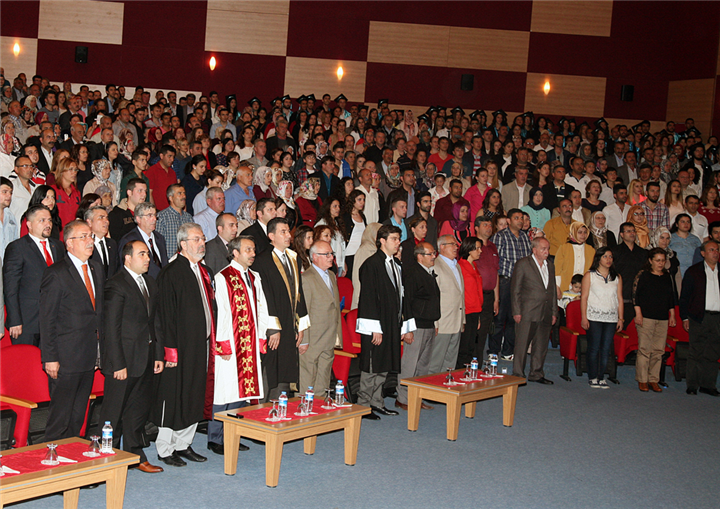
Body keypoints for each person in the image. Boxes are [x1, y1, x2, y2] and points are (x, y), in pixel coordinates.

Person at [99, 240, 164, 473]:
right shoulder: (116, 284)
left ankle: (135, 455)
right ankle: (107, 459)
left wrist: (158, 354)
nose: (147, 258)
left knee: (138, 412)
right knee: (113, 413)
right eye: (142, 254)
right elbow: (110, 328)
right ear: (127, 258)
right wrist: (117, 363)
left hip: (146, 358)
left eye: (148, 254)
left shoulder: (150, 282)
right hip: (123, 361)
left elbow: (155, 322)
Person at [153, 223, 214, 467]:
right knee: (173, 396)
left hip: (200, 345)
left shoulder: (204, 270)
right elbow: (164, 315)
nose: (202, 243)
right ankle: (165, 448)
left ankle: (183, 444)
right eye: (196, 239)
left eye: (203, 239)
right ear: (183, 244)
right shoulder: (172, 272)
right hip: (178, 348)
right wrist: (169, 350)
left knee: (193, 394)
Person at [39, 220, 103, 440]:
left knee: (78, 417)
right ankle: (51, 457)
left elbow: (98, 313)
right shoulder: (56, 273)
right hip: (65, 357)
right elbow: (47, 319)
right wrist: (50, 358)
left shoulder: (96, 268)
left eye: (90, 236)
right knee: (60, 417)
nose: (89, 241)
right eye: (83, 237)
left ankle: (71, 456)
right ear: (69, 243)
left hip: (89, 355)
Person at [207, 235, 269, 456]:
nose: (253, 254)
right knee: (225, 391)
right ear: (235, 253)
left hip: (249, 343)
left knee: (242, 393)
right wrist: (223, 343)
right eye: (248, 250)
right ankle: (216, 437)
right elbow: (222, 311)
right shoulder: (223, 277)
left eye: (253, 250)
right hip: (232, 344)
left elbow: (262, 307)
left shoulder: (254, 276)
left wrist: (262, 335)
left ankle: (234, 433)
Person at [356, 224, 415, 420]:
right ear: (382, 240)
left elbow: (402, 296)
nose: (398, 243)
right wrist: (374, 328)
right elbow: (367, 299)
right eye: (394, 239)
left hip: (391, 323)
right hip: (377, 325)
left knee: (384, 365)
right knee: (372, 366)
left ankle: (377, 402)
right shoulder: (371, 265)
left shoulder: (396, 264)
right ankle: (363, 405)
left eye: (399, 239)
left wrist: (404, 326)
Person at [252, 217, 310, 400]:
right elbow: (263, 297)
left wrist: (300, 325)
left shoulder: (294, 258)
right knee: (271, 369)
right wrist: (272, 328)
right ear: (271, 236)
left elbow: (299, 292)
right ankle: (262, 408)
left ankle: (280, 407)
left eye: (288, 231)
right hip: (274, 325)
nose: (288, 236)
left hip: (290, 322)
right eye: (282, 232)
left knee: (286, 367)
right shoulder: (261, 260)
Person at [4, 204, 63, 346]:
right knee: (25, 358)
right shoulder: (17, 247)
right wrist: (15, 320)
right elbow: (10, 287)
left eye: (49, 220)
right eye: (42, 220)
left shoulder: (58, 246)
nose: (48, 224)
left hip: (55, 320)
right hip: (27, 321)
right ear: (29, 224)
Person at [395, 242, 440, 411]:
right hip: (416, 326)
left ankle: (417, 397)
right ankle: (403, 398)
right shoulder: (413, 273)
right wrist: (407, 329)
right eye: (430, 254)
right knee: (410, 364)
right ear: (420, 256)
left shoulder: (429, 272)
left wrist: (435, 323)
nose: (434, 256)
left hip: (428, 324)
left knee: (423, 365)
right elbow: (407, 303)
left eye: (434, 253)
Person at [511, 237, 558, 384]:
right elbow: (515, 289)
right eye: (543, 249)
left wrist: (554, 311)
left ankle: (536, 373)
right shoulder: (523, 264)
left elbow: (552, 290)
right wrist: (516, 311)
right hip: (527, 311)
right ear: (534, 250)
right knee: (522, 344)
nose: (547, 252)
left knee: (541, 345)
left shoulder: (550, 265)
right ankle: (518, 374)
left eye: (548, 249)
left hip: (546, 311)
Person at [299, 240, 343, 396]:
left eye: (332, 254)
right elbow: (303, 312)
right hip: (313, 338)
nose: (331, 257)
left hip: (329, 336)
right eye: (327, 254)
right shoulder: (307, 278)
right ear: (315, 257)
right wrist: (304, 340)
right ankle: (304, 408)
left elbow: (335, 307)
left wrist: (337, 335)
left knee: (323, 379)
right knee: (307, 380)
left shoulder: (331, 275)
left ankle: (319, 406)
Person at [632, 247, 676, 393]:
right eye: (657, 260)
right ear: (650, 261)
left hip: (662, 317)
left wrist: (672, 315)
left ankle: (653, 379)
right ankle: (642, 379)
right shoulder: (643, 275)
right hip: (646, 317)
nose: (660, 263)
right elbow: (636, 296)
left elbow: (671, 297)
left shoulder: (667, 276)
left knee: (658, 350)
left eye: (663, 260)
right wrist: (638, 313)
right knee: (645, 349)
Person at [489, 209, 531, 360]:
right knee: (499, 318)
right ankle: (493, 351)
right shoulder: (500, 236)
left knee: (515, 318)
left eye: (522, 218)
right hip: (505, 281)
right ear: (508, 220)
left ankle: (507, 351)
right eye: (517, 218)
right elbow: (494, 261)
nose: (520, 221)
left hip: (521, 284)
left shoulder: (525, 237)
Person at [679, 240, 720, 396]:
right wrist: (684, 317)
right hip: (698, 317)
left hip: (717, 318)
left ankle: (708, 385)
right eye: (711, 250)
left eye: (717, 249)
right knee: (695, 351)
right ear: (703, 253)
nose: (715, 253)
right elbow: (685, 297)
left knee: (713, 352)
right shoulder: (693, 272)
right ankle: (692, 385)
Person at [580, 247, 623, 388]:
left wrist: (621, 318)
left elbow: (619, 298)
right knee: (594, 348)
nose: (608, 259)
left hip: (611, 318)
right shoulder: (590, 275)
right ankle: (592, 376)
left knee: (606, 349)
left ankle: (601, 376)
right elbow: (584, 298)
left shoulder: (616, 277)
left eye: (610, 256)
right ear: (598, 259)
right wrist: (584, 317)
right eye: (605, 256)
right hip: (594, 317)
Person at [428, 235, 465, 374]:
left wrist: (462, 319)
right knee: (435, 362)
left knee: (450, 363)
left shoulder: (456, 265)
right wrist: (435, 322)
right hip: (442, 322)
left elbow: (460, 294)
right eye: (452, 244)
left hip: (456, 321)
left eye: (456, 244)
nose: (456, 247)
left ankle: (445, 385)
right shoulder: (435, 266)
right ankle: (430, 386)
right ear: (442, 247)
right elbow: (433, 297)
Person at [118, 202, 168, 279]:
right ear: (138, 219)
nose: (154, 219)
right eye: (149, 215)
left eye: (155, 215)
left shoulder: (160, 238)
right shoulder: (128, 240)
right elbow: (123, 269)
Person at [456, 236, 484, 368]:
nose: (480, 251)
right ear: (469, 249)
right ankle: (460, 371)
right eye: (477, 248)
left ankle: (467, 371)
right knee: (464, 345)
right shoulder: (460, 266)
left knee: (471, 345)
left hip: (475, 310)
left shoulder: (474, 266)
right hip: (465, 311)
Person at [614, 222, 648, 326]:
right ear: (622, 234)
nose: (632, 233)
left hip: (639, 296)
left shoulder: (643, 253)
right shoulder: (615, 251)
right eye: (628, 231)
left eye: (633, 231)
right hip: (621, 295)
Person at [554, 221, 595, 294]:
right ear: (573, 232)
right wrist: (557, 288)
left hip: (585, 287)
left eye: (585, 232)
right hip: (565, 286)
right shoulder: (564, 248)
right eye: (580, 232)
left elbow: (593, 271)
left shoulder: (591, 250)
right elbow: (557, 270)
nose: (583, 235)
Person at [156, 184, 194, 258]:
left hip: (187, 260)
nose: (183, 196)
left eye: (184, 193)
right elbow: (158, 244)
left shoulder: (188, 217)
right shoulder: (162, 217)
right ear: (171, 198)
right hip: (169, 261)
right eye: (179, 193)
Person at [350, 222, 382, 310]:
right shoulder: (364, 250)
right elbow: (357, 276)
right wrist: (359, 297)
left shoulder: (376, 249)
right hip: (365, 297)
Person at [315, 197, 347, 276]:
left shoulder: (337, 223)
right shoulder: (322, 224)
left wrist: (343, 263)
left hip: (339, 262)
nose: (338, 209)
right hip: (329, 262)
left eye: (339, 206)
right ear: (328, 207)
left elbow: (341, 246)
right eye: (335, 206)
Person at [85, 205, 119, 279]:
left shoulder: (112, 244)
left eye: (107, 218)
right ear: (89, 222)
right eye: (101, 217)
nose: (106, 221)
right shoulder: (85, 245)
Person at [0, 176, 19, 257]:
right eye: (4, 192)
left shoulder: (11, 216)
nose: (9, 195)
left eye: (10, 193)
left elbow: (15, 242)